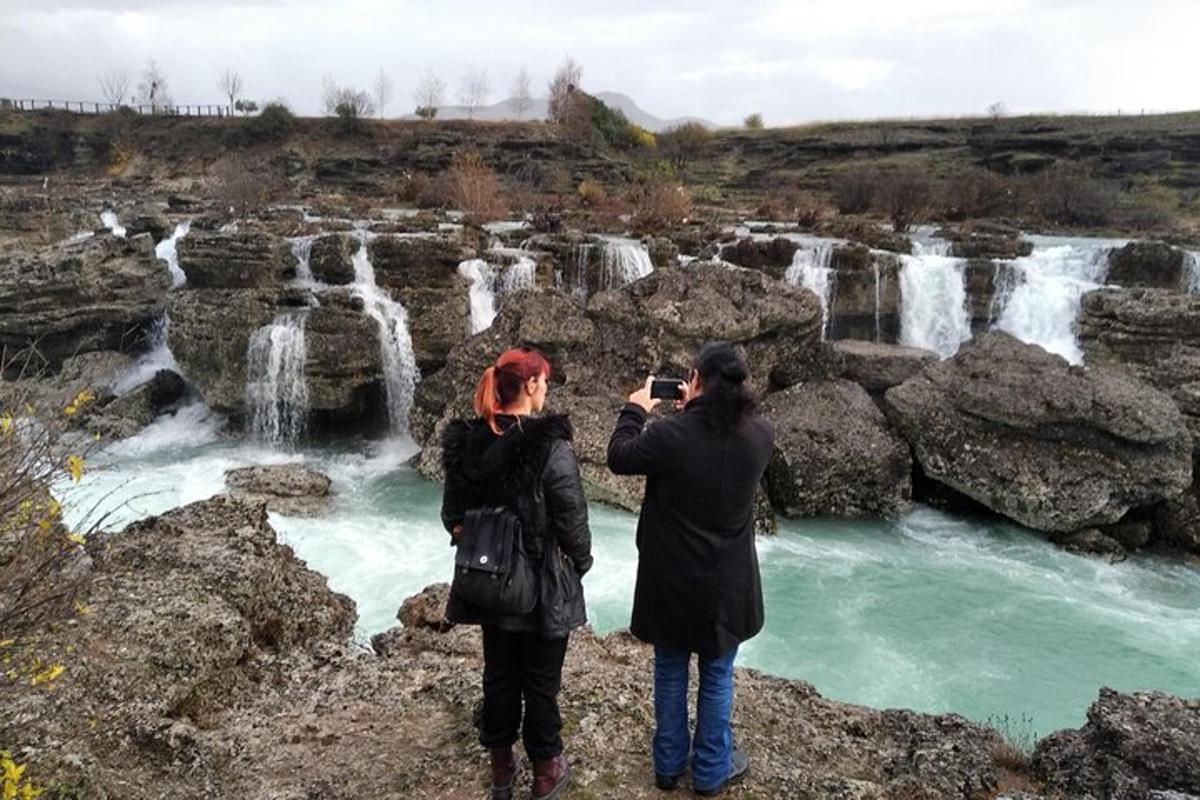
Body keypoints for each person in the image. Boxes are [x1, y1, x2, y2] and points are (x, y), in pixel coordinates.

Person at [606, 341, 774, 796]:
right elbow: (716, 442)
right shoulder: (761, 434)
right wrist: (692, 411)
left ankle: (667, 766)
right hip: (728, 579)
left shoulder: (669, 435)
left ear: (696, 380)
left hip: (671, 576)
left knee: (671, 667)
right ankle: (711, 771)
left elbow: (619, 456)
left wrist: (634, 409)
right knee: (717, 674)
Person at [441, 346, 593, 800]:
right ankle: (546, 771)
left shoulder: (468, 442)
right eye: (544, 382)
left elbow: (453, 517)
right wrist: (576, 567)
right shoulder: (549, 448)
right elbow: (573, 525)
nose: (546, 390)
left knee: (500, 676)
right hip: (541, 585)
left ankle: (502, 772)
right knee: (541, 683)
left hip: (489, 586)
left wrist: (488, 545)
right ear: (529, 387)